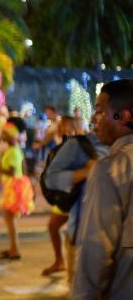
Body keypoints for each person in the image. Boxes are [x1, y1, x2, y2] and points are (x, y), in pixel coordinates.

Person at [59, 79, 133, 300]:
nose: (94, 117)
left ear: (123, 116)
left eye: (101, 109)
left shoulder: (111, 168)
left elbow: (96, 249)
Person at [41, 117, 108, 278]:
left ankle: (60, 260)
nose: (63, 127)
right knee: (53, 226)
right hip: (72, 202)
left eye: (66, 124)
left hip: (109, 235)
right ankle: (60, 260)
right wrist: (85, 172)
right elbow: (51, 178)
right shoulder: (78, 144)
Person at [0, 119, 35, 260]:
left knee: (10, 220)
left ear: (11, 135)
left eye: (5, 133)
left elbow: (11, 172)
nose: (3, 135)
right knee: (10, 220)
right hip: (13, 187)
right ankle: (13, 248)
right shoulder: (15, 149)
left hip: (13, 188)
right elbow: (23, 169)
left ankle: (15, 249)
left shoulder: (13, 151)